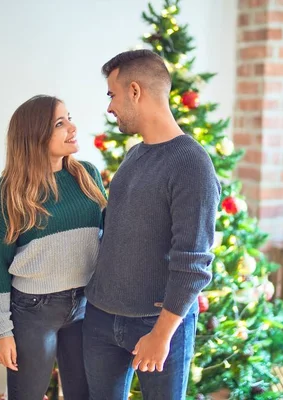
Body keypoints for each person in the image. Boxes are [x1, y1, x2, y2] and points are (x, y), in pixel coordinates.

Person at [83, 49, 221, 400]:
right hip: (101, 318)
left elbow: (193, 262)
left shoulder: (192, 164)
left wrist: (162, 334)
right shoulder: (134, 155)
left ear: (135, 90)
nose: (110, 107)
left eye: (112, 95)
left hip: (156, 325)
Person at [0, 95, 107, 400]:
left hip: (86, 305)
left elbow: (106, 239)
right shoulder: (9, 191)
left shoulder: (86, 175)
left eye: (69, 118)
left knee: (84, 394)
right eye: (59, 123)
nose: (72, 127)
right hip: (33, 311)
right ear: (35, 135)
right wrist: (1, 331)